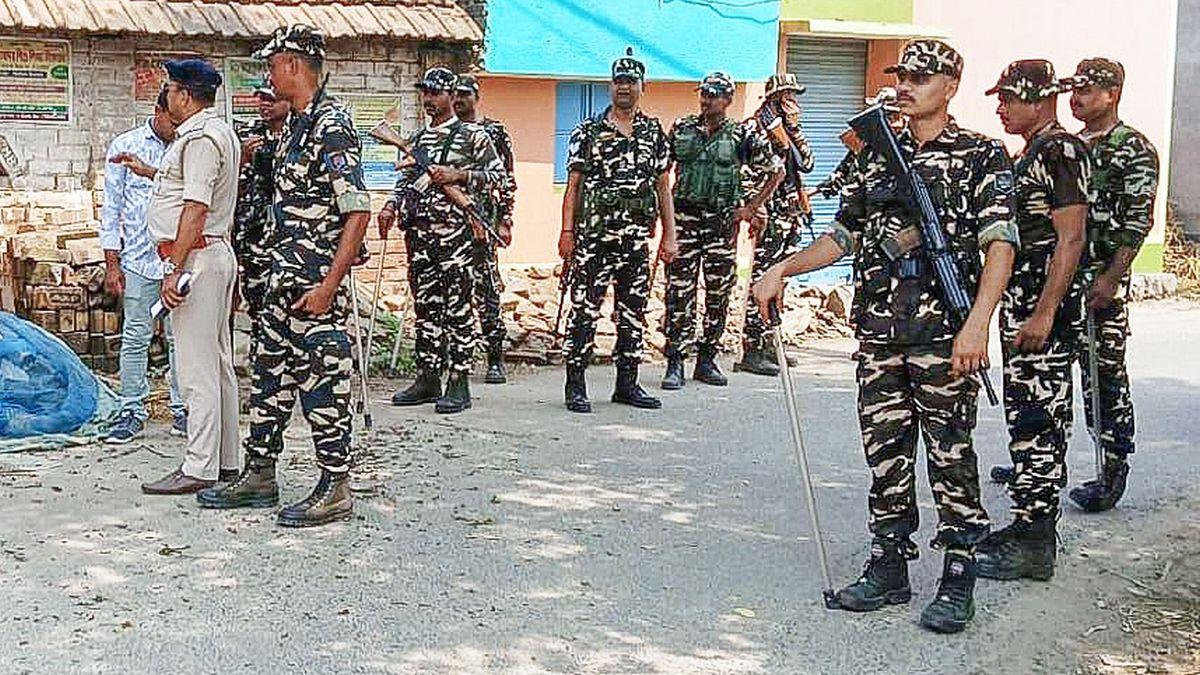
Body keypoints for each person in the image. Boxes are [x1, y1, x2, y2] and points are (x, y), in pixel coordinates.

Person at [752, 39, 1018, 634]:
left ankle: (958, 571)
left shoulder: (980, 155)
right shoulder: (877, 154)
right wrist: (783, 269)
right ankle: (889, 563)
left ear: (951, 86)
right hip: (879, 333)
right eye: (903, 76)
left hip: (944, 336)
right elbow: (842, 235)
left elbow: (1000, 243)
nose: (906, 86)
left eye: (921, 78)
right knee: (886, 454)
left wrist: (977, 324)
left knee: (951, 455)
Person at [197, 25, 371, 528]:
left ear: (293, 64)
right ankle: (260, 474)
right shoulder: (293, 125)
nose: (268, 76)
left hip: (314, 288)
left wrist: (329, 286)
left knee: (324, 386)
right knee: (269, 380)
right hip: (279, 282)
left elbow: (357, 211)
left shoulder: (331, 125)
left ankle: (336, 485)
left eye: (272, 65)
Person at [976, 60, 1089, 582]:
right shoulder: (1033, 152)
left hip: (1042, 314)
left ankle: (1035, 545)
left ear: (1039, 100)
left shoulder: (1060, 150)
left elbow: (1071, 238)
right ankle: (1027, 524)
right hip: (1023, 307)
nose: (1000, 108)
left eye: (1009, 99)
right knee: (1027, 419)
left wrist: (1044, 313)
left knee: (1038, 423)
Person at [115, 59, 241, 495]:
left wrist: (174, 268)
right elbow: (184, 190)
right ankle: (225, 460)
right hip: (208, 254)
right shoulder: (213, 132)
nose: (165, 94)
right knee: (217, 365)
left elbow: (195, 207)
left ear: (185, 94)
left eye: (169, 88)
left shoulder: (201, 138)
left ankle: (200, 466)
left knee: (195, 368)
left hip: (196, 258)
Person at [558, 51, 678, 413]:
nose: (624, 87)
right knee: (584, 312)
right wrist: (566, 231)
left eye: (630, 82)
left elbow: (663, 187)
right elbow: (573, 186)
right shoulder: (588, 132)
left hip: (635, 242)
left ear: (642, 87)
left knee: (632, 313)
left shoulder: (653, 133)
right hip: (594, 241)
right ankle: (575, 385)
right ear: (610, 86)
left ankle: (627, 384)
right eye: (618, 81)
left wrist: (669, 235)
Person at [381, 67, 505, 414]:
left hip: (456, 238)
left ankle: (459, 381)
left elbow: (499, 176)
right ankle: (428, 377)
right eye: (426, 92)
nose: (429, 99)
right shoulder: (418, 139)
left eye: (436, 93)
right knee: (426, 308)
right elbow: (406, 179)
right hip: (420, 235)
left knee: (458, 309)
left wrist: (458, 175)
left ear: (452, 95)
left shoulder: (473, 136)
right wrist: (390, 206)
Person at [1065, 58, 1159, 512]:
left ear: (1112, 94)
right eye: (1074, 90)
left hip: (1101, 281)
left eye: (1086, 91)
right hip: (1061, 278)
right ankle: (1040, 462)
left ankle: (1112, 466)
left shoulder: (1133, 148)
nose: (1076, 99)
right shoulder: (1068, 146)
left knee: (1103, 376)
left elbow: (1138, 221)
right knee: (1048, 375)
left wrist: (1110, 279)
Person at [661, 71, 782, 390]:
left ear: (728, 100)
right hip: (685, 221)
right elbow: (662, 172)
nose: (706, 100)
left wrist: (751, 207)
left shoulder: (742, 135)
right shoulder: (682, 129)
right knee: (679, 293)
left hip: (721, 225)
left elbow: (776, 171)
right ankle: (675, 361)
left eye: (713, 95)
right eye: (704, 94)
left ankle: (707, 359)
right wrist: (664, 221)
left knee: (718, 294)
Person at [101, 89, 187, 444]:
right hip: (138, 260)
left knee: (180, 339)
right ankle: (131, 410)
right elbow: (111, 209)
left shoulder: (188, 146)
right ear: (158, 110)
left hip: (180, 260)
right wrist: (112, 263)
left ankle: (183, 410)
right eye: (172, 118)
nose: (177, 125)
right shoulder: (126, 145)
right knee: (136, 336)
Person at [736, 73, 814, 377]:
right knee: (761, 278)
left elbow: (806, 163)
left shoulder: (787, 130)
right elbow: (741, 173)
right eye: (788, 96)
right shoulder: (753, 128)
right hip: (768, 215)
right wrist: (755, 206)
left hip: (789, 215)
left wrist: (795, 129)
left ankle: (771, 344)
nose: (793, 102)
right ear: (776, 98)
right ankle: (752, 348)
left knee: (780, 280)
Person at [453, 73, 517, 384]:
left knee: (487, 288)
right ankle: (453, 358)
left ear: (476, 98)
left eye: (465, 94)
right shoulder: (445, 133)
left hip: (483, 223)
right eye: (454, 93)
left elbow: (507, 178)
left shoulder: (493, 132)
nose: (459, 99)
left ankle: (495, 358)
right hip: (449, 224)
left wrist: (505, 219)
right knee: (453, 291)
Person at [232, 86, 291, 363]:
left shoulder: (300, 135)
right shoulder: (247, 135)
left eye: (272, 100)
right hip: (253, 237)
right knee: (257, 305)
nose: (265, 105)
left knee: (289, 308)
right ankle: (263, 365)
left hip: (290, 240)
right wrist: (242, 157)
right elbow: (224, 180)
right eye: (262, 100)